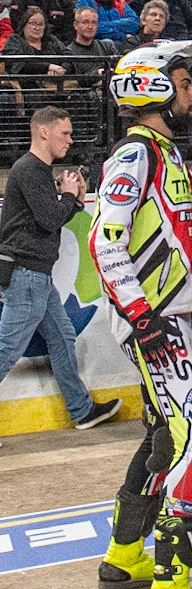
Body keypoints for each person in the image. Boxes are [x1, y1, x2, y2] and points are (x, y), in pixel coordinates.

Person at [90, 41, 192, 589]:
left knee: (162, 436)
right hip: (155, 323)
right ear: (151, 90)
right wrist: (143, 319)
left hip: (168, 318)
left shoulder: (169, 156)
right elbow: (106, 240)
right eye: (183, 83)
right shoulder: (135, 157)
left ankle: (123, 557)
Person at [0, 107, 121, 429]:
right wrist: (68, 196)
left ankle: (81, 410)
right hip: (26, 275)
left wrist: (74, 201)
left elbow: (48, 221)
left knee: (62, 335)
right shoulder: (29, 169)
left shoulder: (36, 172)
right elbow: (50, 219)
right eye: (64, 133)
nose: (70, 140)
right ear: (43, 132)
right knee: (5, 351)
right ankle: (81, 409)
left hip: (35, 276)